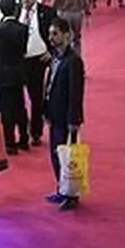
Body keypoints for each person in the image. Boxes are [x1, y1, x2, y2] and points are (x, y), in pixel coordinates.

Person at [44, 17, 86, 211]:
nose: (51, 38)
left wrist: (73, 119)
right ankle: (62, 190)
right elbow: (49, 85)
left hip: (66, 117)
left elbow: (76, 92)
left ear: (66, 35)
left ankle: (71, 195)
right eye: (50, 34)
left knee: (68, 158)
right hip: (54, 114)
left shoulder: (74, 61)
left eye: (55, 34)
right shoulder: (55, 57)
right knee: (55, 154)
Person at [0, 0, 30, 153]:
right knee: (20, 107)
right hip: (18, 72)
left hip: (1, 75)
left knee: (6, 110)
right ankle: (24, 138)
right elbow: (23, 50)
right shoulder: (23, 29)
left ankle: (10, 142)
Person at [19, 0, 56, 147]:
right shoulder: (15, 11)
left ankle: (35, 131)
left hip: (38, 60)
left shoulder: (47, 12)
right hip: (18, 61)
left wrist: (51, 51)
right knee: (17, 99)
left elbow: (56, 33)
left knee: (36, 98)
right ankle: (22, 132)